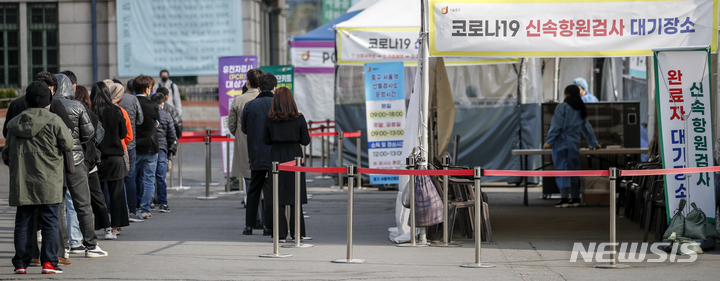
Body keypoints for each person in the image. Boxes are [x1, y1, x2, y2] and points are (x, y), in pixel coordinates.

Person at [3, 81, 73, 274]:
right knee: (50, 221)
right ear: (48, 100)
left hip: (22, 181)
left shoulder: (14, 124)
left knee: (23, 220)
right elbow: (68, 144)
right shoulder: (55, 120)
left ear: (27, 101)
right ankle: (49, 263)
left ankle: (20, 264)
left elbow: (6, 154)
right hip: (49, 180)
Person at [53, 74, 108, 257]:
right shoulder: (77, 106)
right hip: (76, 161)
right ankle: (91, 245)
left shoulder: (49, 106)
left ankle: (63, 249)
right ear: (70, 88)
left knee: (59, 206)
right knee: (83, 205)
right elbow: (89, 134)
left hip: (54, 162)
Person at [262, 87, 311, 240]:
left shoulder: (270, 118)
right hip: (295, 156)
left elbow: (266, 140)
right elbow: (305, 140)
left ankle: (280, 233)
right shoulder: (299, 118)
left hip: (277, 155)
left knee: (278, 195)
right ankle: (297, 232)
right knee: (295, 194)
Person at [543, 85, 599, 208]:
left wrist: (549, 141)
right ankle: (575, 198)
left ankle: (564, 199)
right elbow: (587, 127)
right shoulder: (580, 108)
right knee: (574, 170)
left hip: (561, 143)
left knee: (562, 170)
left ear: (566, 94)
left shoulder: (562, 107)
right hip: (574, 143)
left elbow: (556, 126)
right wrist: (594, 143)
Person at [92, 82, 131, 238]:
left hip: (97, 158)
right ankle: (115, 227)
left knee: (98, 195)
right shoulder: (117, 111)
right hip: (115, 157)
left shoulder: (90, 112)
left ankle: (104, 226)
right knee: (117, 194)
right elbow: (123, 134)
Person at [74, 86, 113, 240]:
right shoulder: (90, 114)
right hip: (89, 160)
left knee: (73, 202)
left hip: (72, 161)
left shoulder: (62, 111)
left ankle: (75, 236)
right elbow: (99, 135)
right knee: (96, 196)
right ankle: (106, 228)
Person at [241, 73, 276, 235]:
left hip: (255, 153)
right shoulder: (277, 105)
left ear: (259, 88)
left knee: (253, 190)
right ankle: (268, 226)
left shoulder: (250, 105)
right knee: (269, 190)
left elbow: (244, 129)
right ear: (275, 88)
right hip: (273, 154)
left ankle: (249, 225)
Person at [229, 69, 264, 208]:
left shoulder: (238, 100)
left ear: (248, 83)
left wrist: (240, 135)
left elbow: (232, 125)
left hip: (245, 144)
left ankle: (253, 216)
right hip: (265, 146)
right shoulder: (269, 99)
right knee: (265, 182)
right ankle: (265, 218)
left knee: (249, 182)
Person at [106, 81, 133, 236]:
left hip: (102, 155)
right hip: (120, 152)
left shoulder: (97, 110)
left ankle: (106, 222)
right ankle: (116, 224)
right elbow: (129, 136)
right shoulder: (121, 111)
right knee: (117, 189)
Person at [133, 75, 161, 219]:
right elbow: (157, 123)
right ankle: (145, 209)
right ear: (147, 89)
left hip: (134, 146)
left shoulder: (131, 103)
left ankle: (132, 209)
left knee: (131, 177)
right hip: (150, 146)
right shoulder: (153, 105)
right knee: (149, 179)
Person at [118, 78, 145, 222]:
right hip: (130, 144)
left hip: (115, 145)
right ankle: (132, 210)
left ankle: (117, 211)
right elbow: (140, 120)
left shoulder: (110, 101)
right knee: (130, 177)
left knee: (117, 180)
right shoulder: (133, 100)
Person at [151, 92, 177, 213]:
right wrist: (169, 148)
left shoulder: (147, 115)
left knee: (147, 176)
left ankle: (147, 202)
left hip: (149, 148)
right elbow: (172, 136)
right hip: (162, 149)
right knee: (161, 177)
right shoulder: (167, 116)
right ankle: (163, 204)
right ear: (162, 103)